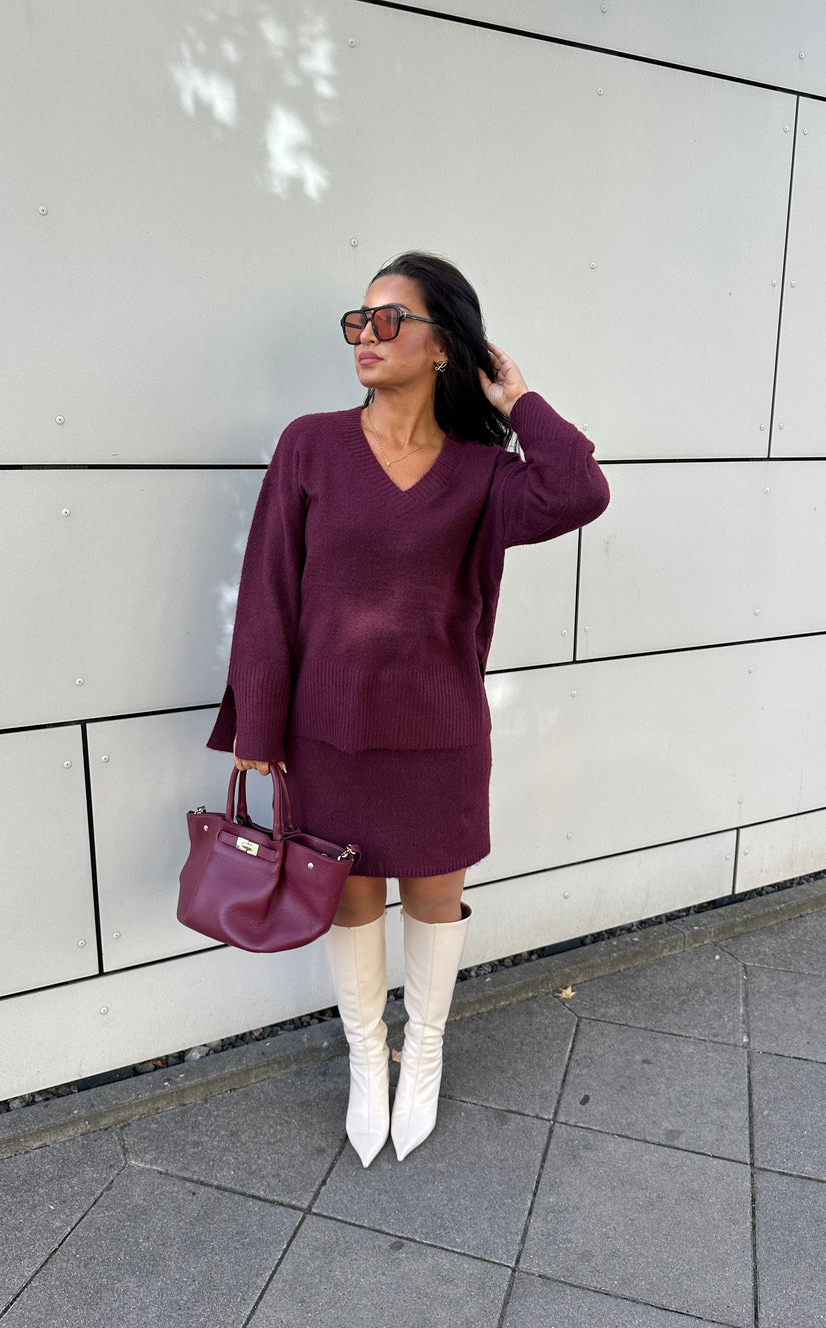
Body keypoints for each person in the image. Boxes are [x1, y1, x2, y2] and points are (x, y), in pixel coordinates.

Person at [207, 251, 610, 1166]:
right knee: (349, 902)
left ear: (443, 346)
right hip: (329, 732)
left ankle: (422, 1050)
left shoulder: (482, 471)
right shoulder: (311, 445)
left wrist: (518, 400)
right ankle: (367, 1059)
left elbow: (579, 489)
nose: (366, 335)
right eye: (358, 320)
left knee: (434, 900)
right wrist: (258, 726)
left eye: (390, 320)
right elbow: (268, 589)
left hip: (440, 732)